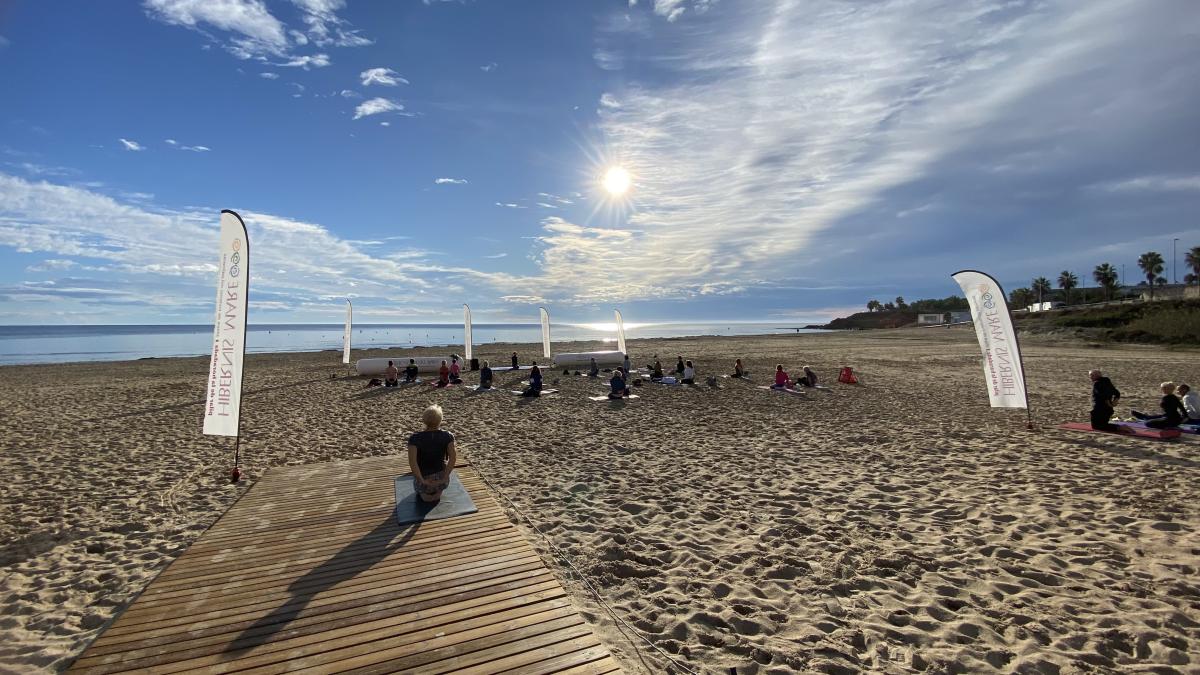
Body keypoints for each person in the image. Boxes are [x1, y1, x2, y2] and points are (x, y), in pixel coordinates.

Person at [407, 404, 457, 503]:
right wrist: (445, 477)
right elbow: (453, 458)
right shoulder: (448, 436)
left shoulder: (414, 438)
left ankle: (426, 493)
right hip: (441, 480)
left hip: (423, 482)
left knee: (425, 495)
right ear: (440, 419)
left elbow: (412, 463)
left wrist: (422, 480)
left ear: (424, 419)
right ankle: (437, 491)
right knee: (442, 470)